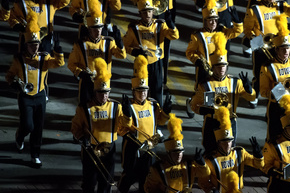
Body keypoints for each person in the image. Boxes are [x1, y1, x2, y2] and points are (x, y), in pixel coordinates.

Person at [6, 13, 64, 168]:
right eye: (32, 44)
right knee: (28, 125)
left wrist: (58, 51)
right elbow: (10, 75)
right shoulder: (19, 59)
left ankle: (35, 155)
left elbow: (58, 64)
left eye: (37, 44)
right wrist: (13, 83)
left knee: (38, 127)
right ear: (26, 45)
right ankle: (20, 135)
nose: (35, 47)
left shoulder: (44, 58)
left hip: (40, 95)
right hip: (25, 96)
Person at [190, 33, 255, 153]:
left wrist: (248, 88)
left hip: (230, 121)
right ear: (213, 68)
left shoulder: (235, 82)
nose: (221, 69)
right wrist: (204, 111)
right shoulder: (205, 85)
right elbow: (194, 105)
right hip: (212, 122)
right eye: (218, 67)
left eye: (224, 66)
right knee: (210, 151)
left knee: (229, 152)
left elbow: (252, 98)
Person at [117, 55, 172, 193]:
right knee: (128, 176)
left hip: (149, 148)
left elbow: (159, 121)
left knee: (145, 177)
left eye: (144, 90)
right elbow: (121, 129)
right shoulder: (127, 105)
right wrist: (127, 115)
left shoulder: (153, 104)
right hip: (132, 148)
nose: (142, 94)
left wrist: (165, 112)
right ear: (133, 91)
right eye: (139, 91)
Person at [71, 57, 123, 193]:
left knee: (106, 182)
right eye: (101, 93)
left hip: (109, 148)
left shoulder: (116, 106)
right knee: (89, 182)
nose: (104, 96)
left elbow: (124, 128)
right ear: (95, 92)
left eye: (106, 93)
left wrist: (128, 115)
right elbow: (75, 127)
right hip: (90, 149)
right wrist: (81, 137)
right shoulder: (84, 107)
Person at [123, 0, 179, 106]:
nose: (148, 15)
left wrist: (171, 24)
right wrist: (134, 51)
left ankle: (157, 119)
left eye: (150, 11)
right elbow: (124, 46)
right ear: (140, 13)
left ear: (153, 12)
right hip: (142, 65)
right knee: (141, 94)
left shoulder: (160, 24)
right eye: (144, 12)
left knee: (157, 93)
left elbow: (175, 36)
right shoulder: (134, 28)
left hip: (157, 64)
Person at [68, 0, 126, 104]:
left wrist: (120, 44)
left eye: (100, 28)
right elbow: (71, 64)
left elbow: (122, 56)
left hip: (103, 84)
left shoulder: (108, 42)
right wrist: (80, 73)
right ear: (89, 29)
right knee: (85, 111)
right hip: (87, 84)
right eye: (95, 28)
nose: (98, 31)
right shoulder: (80, 45)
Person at [199, 107, 265, 193]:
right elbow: (203, 183)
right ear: (218, 142)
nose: (228, 144)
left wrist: (258, 155)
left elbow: (259, 165)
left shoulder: (240, 152)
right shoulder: (210, 159)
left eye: (230, 141)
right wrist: (212, 190)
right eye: (224, 142)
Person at [186, 0, 243, 85]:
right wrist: (197, 60)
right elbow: (189, 52)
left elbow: (236, 32)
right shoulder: (198, 36)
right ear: (205, 21)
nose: (213, 23)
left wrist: (237, 21)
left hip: (220, 71)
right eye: (210, 20)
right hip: (204, 71)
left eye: (215, 20)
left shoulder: (222, 32)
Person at [143, 114, 210, 193]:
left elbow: (205, 174)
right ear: (169, 153)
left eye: (181, 152)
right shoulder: (157, 169)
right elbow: (148, 188)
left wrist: (202, 164)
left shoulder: (188, 165)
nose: (179, 155)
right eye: (175, 152)